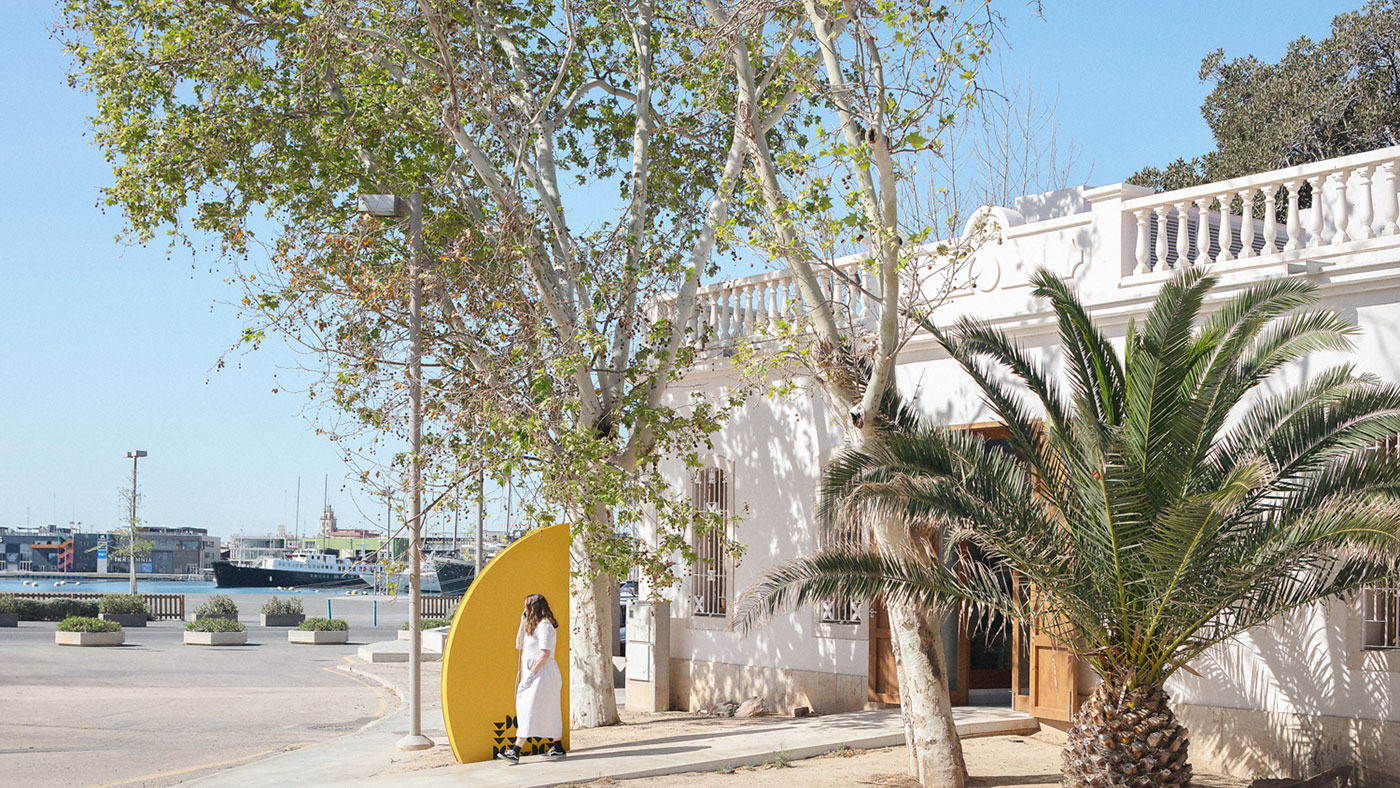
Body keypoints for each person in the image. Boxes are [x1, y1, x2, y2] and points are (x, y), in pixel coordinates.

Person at [497, 593, 565, 763]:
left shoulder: (545, 626)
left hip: (542, 674)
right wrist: (522, 623)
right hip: (535, 674)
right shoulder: (534, 627)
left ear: (534, 608)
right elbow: (518, 644)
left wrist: (532, 673)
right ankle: (557, 746)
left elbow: (545, 654)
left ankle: (515, 750)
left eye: (526, 607)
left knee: (529, 709)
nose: (524, 610)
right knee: (542, 709)